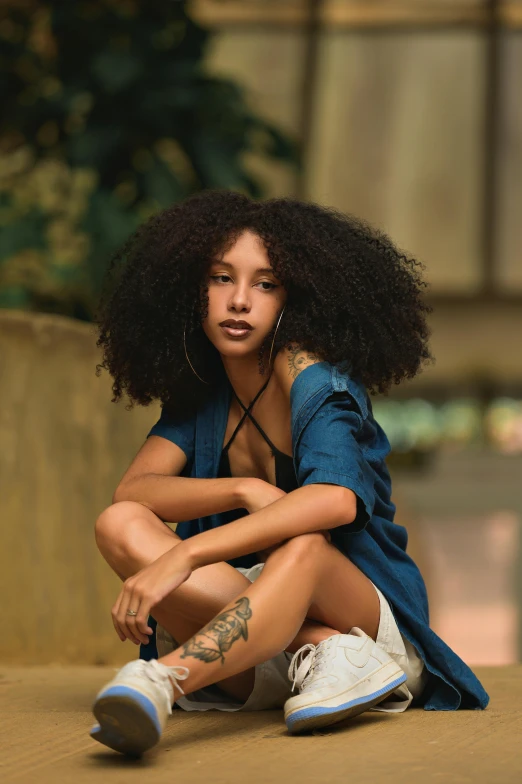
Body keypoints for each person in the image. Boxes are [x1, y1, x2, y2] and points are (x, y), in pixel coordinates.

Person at [90, 189, 489, 757]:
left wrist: (185, 555)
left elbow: (336, 502)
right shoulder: (204, 392)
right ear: (190, 290)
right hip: (266, 647)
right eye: (221, 278)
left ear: (294, 298)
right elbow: (135, 491)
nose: (240, 301)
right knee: (119, 522)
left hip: (364, 623)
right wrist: (243, 487)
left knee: (303, 546)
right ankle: (312, 647)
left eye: (266, 283)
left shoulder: (315, 383)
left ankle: (161, 682)